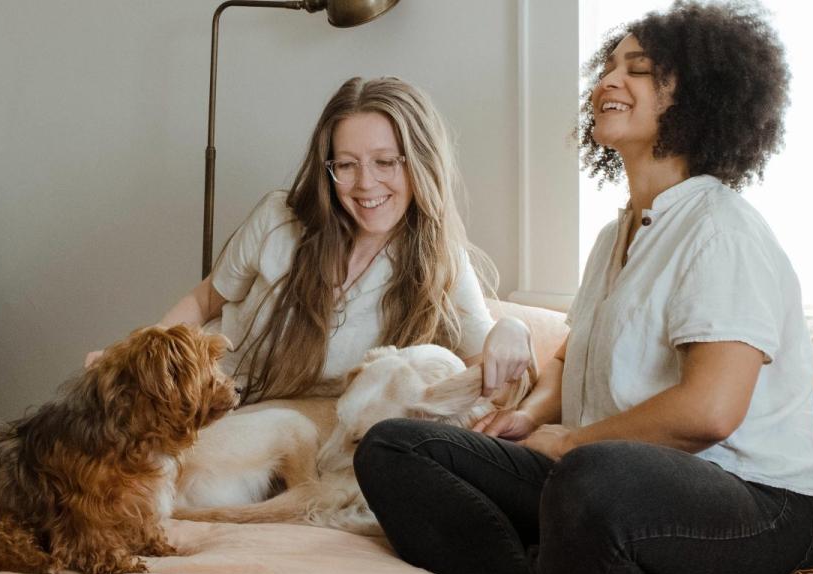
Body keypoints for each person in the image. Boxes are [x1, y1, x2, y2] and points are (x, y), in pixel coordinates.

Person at [354, 3, 813, 574]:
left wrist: (573, 441)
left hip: (756, 503)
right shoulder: (616, 235)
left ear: (694, 94)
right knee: (395, 448)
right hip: (601, 477)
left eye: (637, 68)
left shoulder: (720, 229)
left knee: (592, 477)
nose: (607, 80)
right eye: (607, 66)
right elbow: (566, 356)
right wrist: (529, 416)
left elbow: (711, 409)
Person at [91, 76, 533, 407]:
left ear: (420, 163)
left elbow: (484, 366)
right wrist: (131, 359)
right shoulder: (278, 219)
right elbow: (206, 300)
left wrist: (514, 328)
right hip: (209, 402)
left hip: (297, 434)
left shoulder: (439, 259)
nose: (365, 184)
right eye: (346, 164)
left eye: (385, 162)